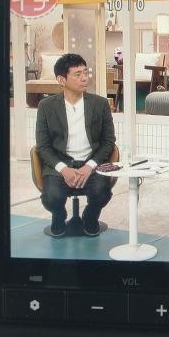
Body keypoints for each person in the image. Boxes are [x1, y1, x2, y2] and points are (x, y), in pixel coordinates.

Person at [36, 53, 116, 237]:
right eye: (77, 74)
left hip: (91, 163)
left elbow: (108, 142)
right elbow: (43, 146)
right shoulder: (46, 106)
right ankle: (59, 216)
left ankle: (90, 217)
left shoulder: (100, 104)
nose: (84, 78)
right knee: (51, 197)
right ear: (61, 80)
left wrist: (89, 166)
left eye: (85, 72)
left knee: (102, 192)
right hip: (60, 164)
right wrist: (64, 169)